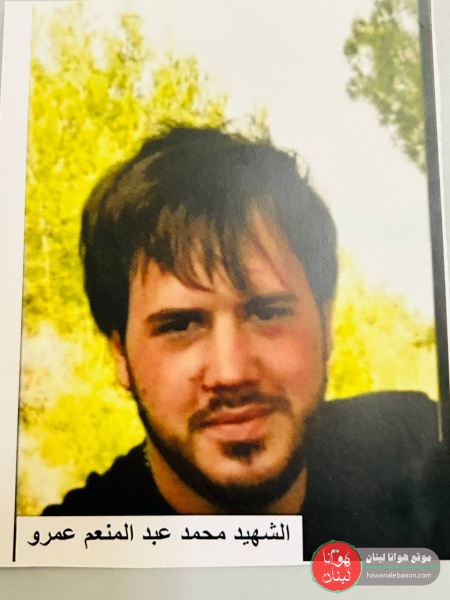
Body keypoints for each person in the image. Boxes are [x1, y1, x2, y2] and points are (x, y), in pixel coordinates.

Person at [43, 126, 449, 559]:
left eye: (268, 313)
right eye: (180, 325)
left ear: (326, 325)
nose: (231, 372)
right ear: (120, 355)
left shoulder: (422, 447)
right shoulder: (62, 560)